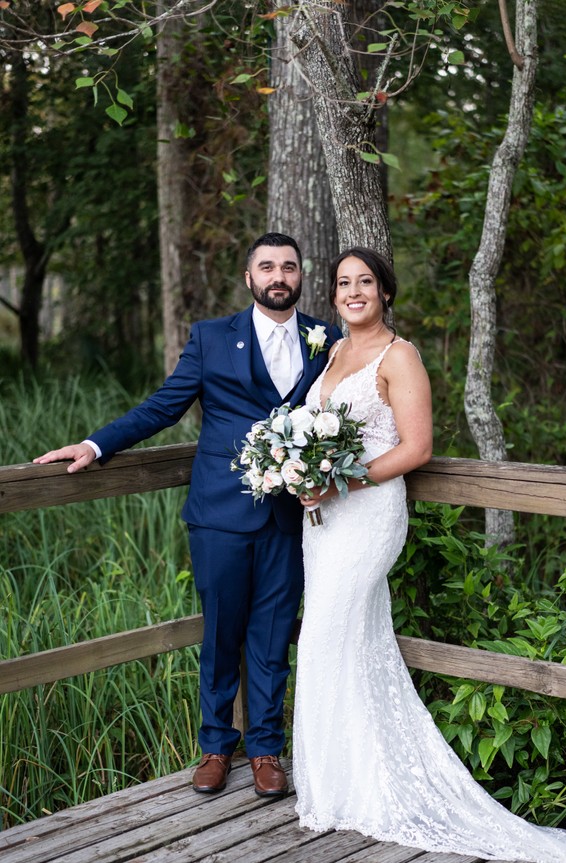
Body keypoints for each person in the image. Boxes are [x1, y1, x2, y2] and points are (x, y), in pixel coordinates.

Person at [292, 246, 566, 863]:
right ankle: (342, 785)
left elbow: (416, 447)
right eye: (343, 283)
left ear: (385, 291)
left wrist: (339, 477)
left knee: (324, 640)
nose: (352, 292)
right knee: (345, 645)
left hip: (368, 514)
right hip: (324, 522)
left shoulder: (398, 356)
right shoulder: (332, 354)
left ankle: (358, 790)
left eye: (364, 282)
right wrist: (304, 474)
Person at [33, 233, 340, 800]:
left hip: (292, 516)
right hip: (221, 513)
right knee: (221, 633)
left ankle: (267, 749)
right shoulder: (211, 338)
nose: (279, 275)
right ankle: (216, 747)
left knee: (272, 638)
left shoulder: (327, 338)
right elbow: (163, 406)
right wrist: (95, 446)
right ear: (248, 278)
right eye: (267, 266)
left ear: (301, 277)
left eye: (289, 267)